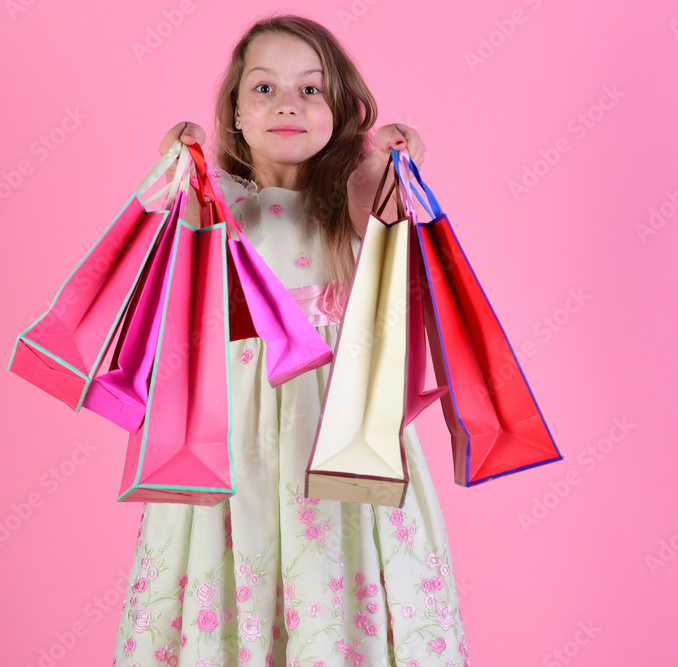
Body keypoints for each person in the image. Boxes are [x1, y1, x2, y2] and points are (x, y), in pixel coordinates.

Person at [112, 14, 470, 667]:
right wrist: (176, 153)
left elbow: (379, 194)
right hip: (233, 437)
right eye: (264, 89)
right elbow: (180, 212)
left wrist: (397, 147)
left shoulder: (351, 201)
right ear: (235, 112)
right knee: (233, 563)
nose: (287, 105)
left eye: (310, 90)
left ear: (340, 109)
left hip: (338, 427)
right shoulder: (219, 203)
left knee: (335, 567)